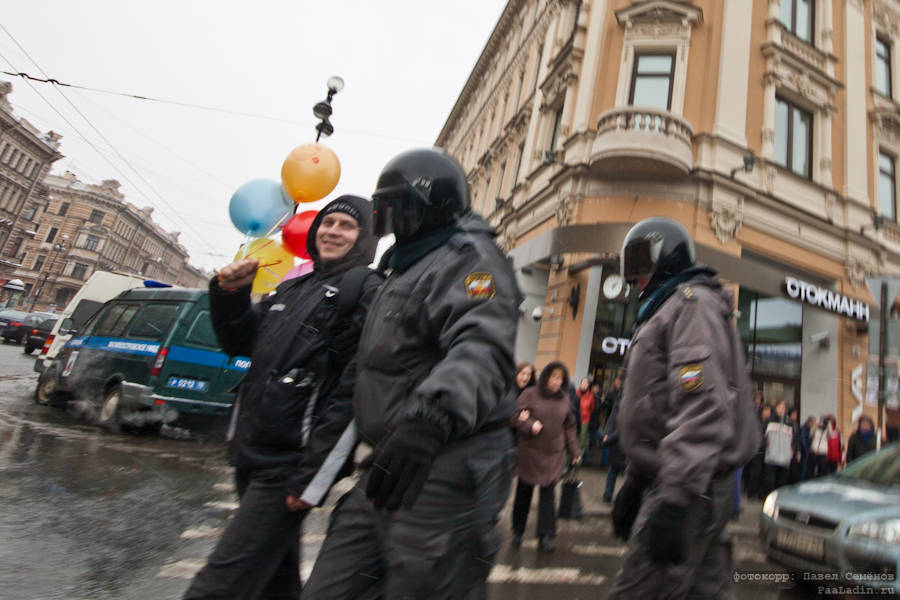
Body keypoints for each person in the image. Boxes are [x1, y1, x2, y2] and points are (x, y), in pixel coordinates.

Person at [300, 148, 521, 600]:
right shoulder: (404, 267)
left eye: (400, 210)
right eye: (385, 214)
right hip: (392, 459)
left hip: (446, 461)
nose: (393, 224)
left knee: (428, 584)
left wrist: (430, 417)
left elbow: (482, 346)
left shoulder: (469, 258)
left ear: (430, 207)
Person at [183, 195, 382, 600]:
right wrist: (230, 294)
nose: (333, 231)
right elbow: (241, 343)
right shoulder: (292, 287)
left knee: (219, 584)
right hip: (251, 453)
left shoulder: (365, 292)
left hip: (288, 465)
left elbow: (351, 395)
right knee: (275, 580)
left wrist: (314, 476)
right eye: (328, 223)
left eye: (347, 226)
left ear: (364, 239)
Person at [609, 217, 760, 599]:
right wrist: (636, 479)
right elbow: (656, 408)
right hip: (695, 483)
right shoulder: (668, 308)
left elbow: (702, 408)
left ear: (666, 257)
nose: (635, 276)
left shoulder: (690, 305)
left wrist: (674, 499)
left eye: (642, 262)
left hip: (692, 487)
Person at [509, 361, 580, 552]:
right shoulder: (530, 394)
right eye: (553, 377)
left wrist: (574, 451)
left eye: (560, 378)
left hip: (552, 455)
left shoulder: (564, 400)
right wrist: (529, 425)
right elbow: (515, 416)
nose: (556, 381)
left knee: (548, 497)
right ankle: (518, 531)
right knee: (524, 493)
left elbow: (570, 427)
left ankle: (546, 536)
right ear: (546, 376)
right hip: (530, 453)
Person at [761, 400, 794, 496]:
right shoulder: (769, 421)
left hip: (784, 459)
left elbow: (793, 439)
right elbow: (762, 437)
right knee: (769, 482)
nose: (781, 410)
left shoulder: (789, 423)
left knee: (782, 483)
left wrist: (791, 453)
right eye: (780, 407)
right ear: (775, 408)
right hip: (772, 457)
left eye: (783, 408)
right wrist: (767, 448)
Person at [602, 378, 624, 503]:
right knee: (613, 469)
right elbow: (612, 417)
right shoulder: (619, 400)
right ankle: (608, 494)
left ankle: (623, 500)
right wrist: (606, 432)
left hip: (628, 440)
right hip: (616, 440)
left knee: (627, 473)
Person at [746, 403, 772, 499]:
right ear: (763, 411)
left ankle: (760, 493)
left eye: (769, 410)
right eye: (767, 410)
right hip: (757, 450)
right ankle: (751, 492)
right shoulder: (757, 421)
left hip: (765, 450)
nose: (769, 412)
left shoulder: (769, 422)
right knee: (755, 473)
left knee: (763, 473)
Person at [800, 415, 815, 480]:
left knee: (806, 468)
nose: (813, 425)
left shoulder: (809, 429)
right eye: (812, 423)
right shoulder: (804, 429)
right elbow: (803, 440)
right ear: (809, 422)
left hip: (806, 451)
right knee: (803, 468)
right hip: (804, 451)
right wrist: (806, 449)